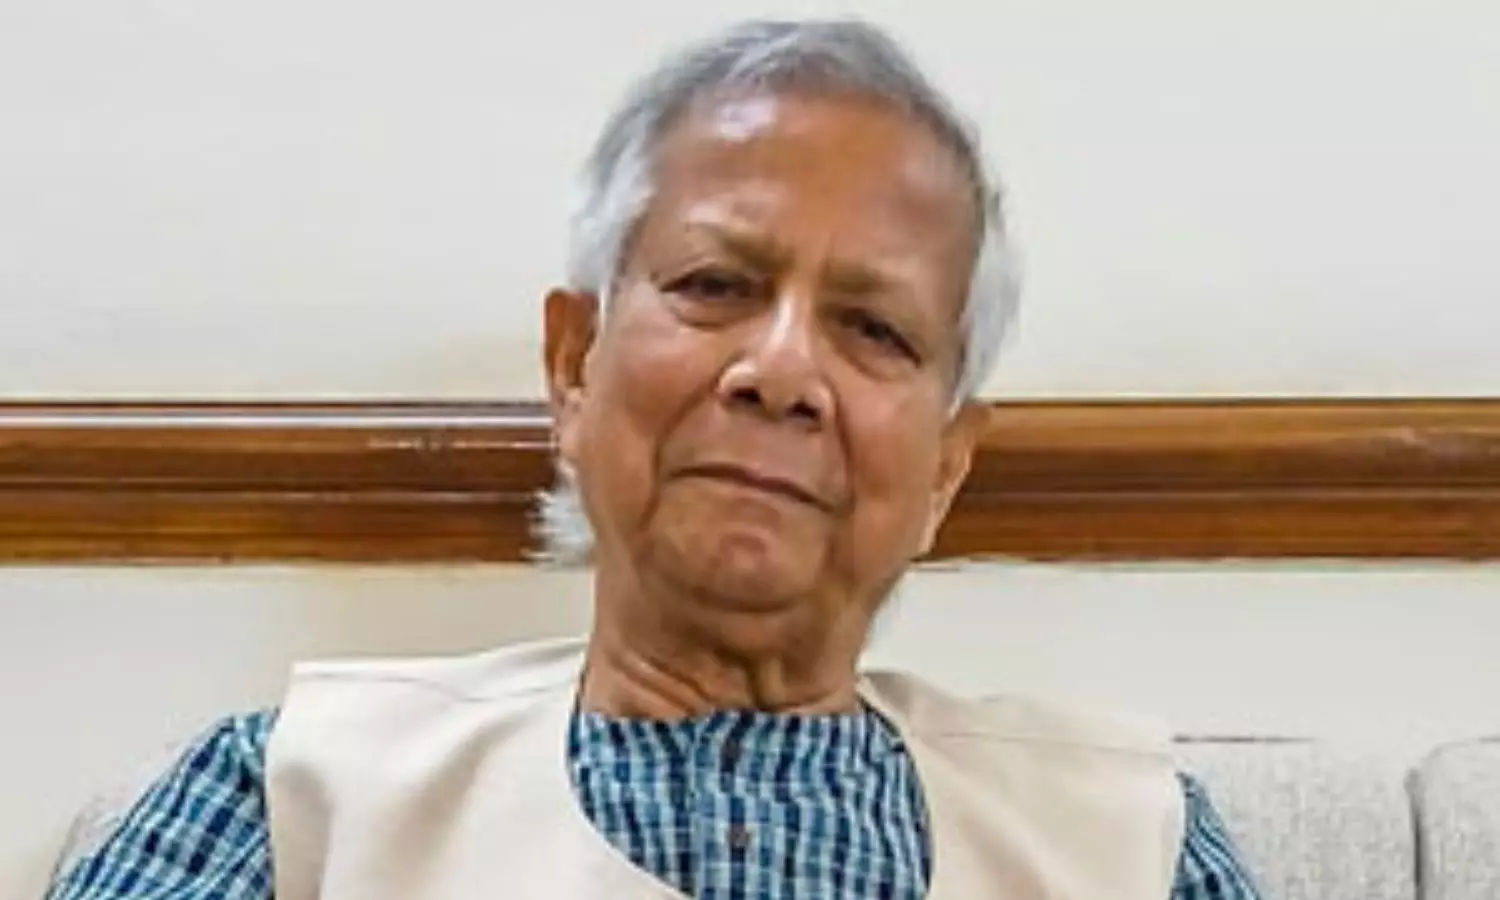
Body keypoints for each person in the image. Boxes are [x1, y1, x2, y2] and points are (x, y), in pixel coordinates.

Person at [48, 18, 1262, 900]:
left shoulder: (1130, 845)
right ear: (571, 367)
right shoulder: (290, 804)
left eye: (874, 329)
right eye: (716, 285)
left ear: (946, 469)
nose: (781, 370)